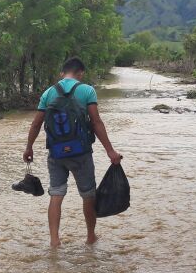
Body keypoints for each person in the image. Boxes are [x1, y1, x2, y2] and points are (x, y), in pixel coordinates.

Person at [23, 57, 122, 248]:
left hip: (56, 153)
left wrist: (29, 147)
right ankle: (90, 237)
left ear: (62, 73)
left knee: (56, 194)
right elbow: (96, 122)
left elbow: (36, 124)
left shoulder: (49, 93)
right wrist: (110, 151)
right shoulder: (87, 90)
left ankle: (54, 241)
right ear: (80, 73)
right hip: (81, 153)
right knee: (88, 194)